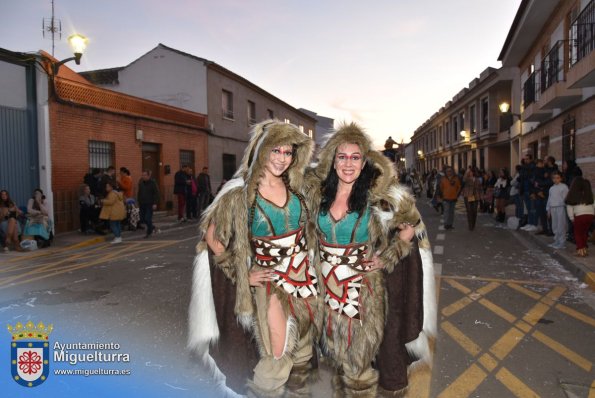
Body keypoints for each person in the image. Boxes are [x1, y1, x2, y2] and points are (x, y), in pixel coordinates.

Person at [188, 120, 320, 397]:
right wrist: (241, 275)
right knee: (277, 348)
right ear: (262, 150)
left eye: (288, 152)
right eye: (276, 151)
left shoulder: (299, 187)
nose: (282, 159)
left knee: (303, 348)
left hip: (304, 276)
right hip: (270, 280)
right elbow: (213, 238)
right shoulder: (239, 194)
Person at [305, 123, 436, 396]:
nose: (348, 164)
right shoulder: (316, 194)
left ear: (365, 162)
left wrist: (386, 258)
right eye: (342, 157)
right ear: (332, 160)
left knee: (358, 363)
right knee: (339, 356)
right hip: (325, 289)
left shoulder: (380, 197)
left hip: (361, 290)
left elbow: (410, 227)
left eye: (355, 157)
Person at [565, 174, 594, 257]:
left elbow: (569, 207)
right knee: (584, 232)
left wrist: (571, 218)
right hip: (590, 215)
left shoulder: (573, 195)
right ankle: (584, 249)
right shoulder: (588, 194)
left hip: (579, 216)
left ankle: (580, 250)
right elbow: (593, 204)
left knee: (577, 233)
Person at [546, 171, 569, 250]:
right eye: (554, 178)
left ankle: (562, 242)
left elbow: (566, 198)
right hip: (553, 208)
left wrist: (565, 206)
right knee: (554, 225)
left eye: (557, 178)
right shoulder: (551, 188)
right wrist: (548, 209)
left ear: (561, 178)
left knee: (561, 225)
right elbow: (549, 199)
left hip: (560, 207)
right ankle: (556, 240)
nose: (555, 180)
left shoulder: (564, 187)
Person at [137, 170, 159, 239]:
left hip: (150, 204)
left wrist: (155, 203)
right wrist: (138, 201)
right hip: (142, 204)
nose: (143, 176)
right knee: (142, 219)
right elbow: (139, 193)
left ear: (149, 176)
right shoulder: (141, 183)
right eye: (142, 175)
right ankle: (152, 227)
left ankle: (149, 232)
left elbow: (156, 193)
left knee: (147, 218)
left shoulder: (153, 183)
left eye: (145, 175)